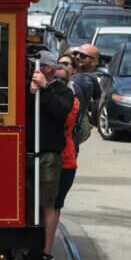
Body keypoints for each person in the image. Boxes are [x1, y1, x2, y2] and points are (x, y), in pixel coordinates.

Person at [26, 51, 74, 260]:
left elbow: (61, 112)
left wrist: (45, 89)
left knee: (48, 203)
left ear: (51, 69)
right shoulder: (28, 87)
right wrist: (31, 93)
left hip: (48, 155)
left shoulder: (63, 91)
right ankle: (26, 246)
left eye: (44, 66)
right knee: (26, 200)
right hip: (26, 152)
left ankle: (46, 251)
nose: (40, 70)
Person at [54, 61, 80, 213]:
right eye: (55, 79)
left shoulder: (72, 102)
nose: (58, 83)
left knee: (55, 205)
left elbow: (64, 119)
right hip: (52, 156)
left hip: (65, 159)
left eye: (62, 80)